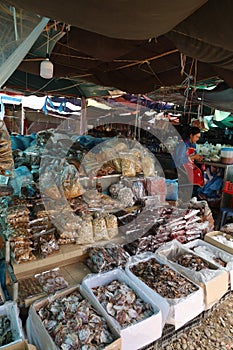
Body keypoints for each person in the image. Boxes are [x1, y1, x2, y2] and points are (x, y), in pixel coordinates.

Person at [173, 126, 204, 195]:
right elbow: (179, 161)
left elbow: (193, 156)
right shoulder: (182, 145)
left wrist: (198, 157)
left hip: (189, 167)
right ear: (191, 135)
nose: (197, 139)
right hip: (180, 169)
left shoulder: (193, 145)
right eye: (197, 137)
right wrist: (193, 157)